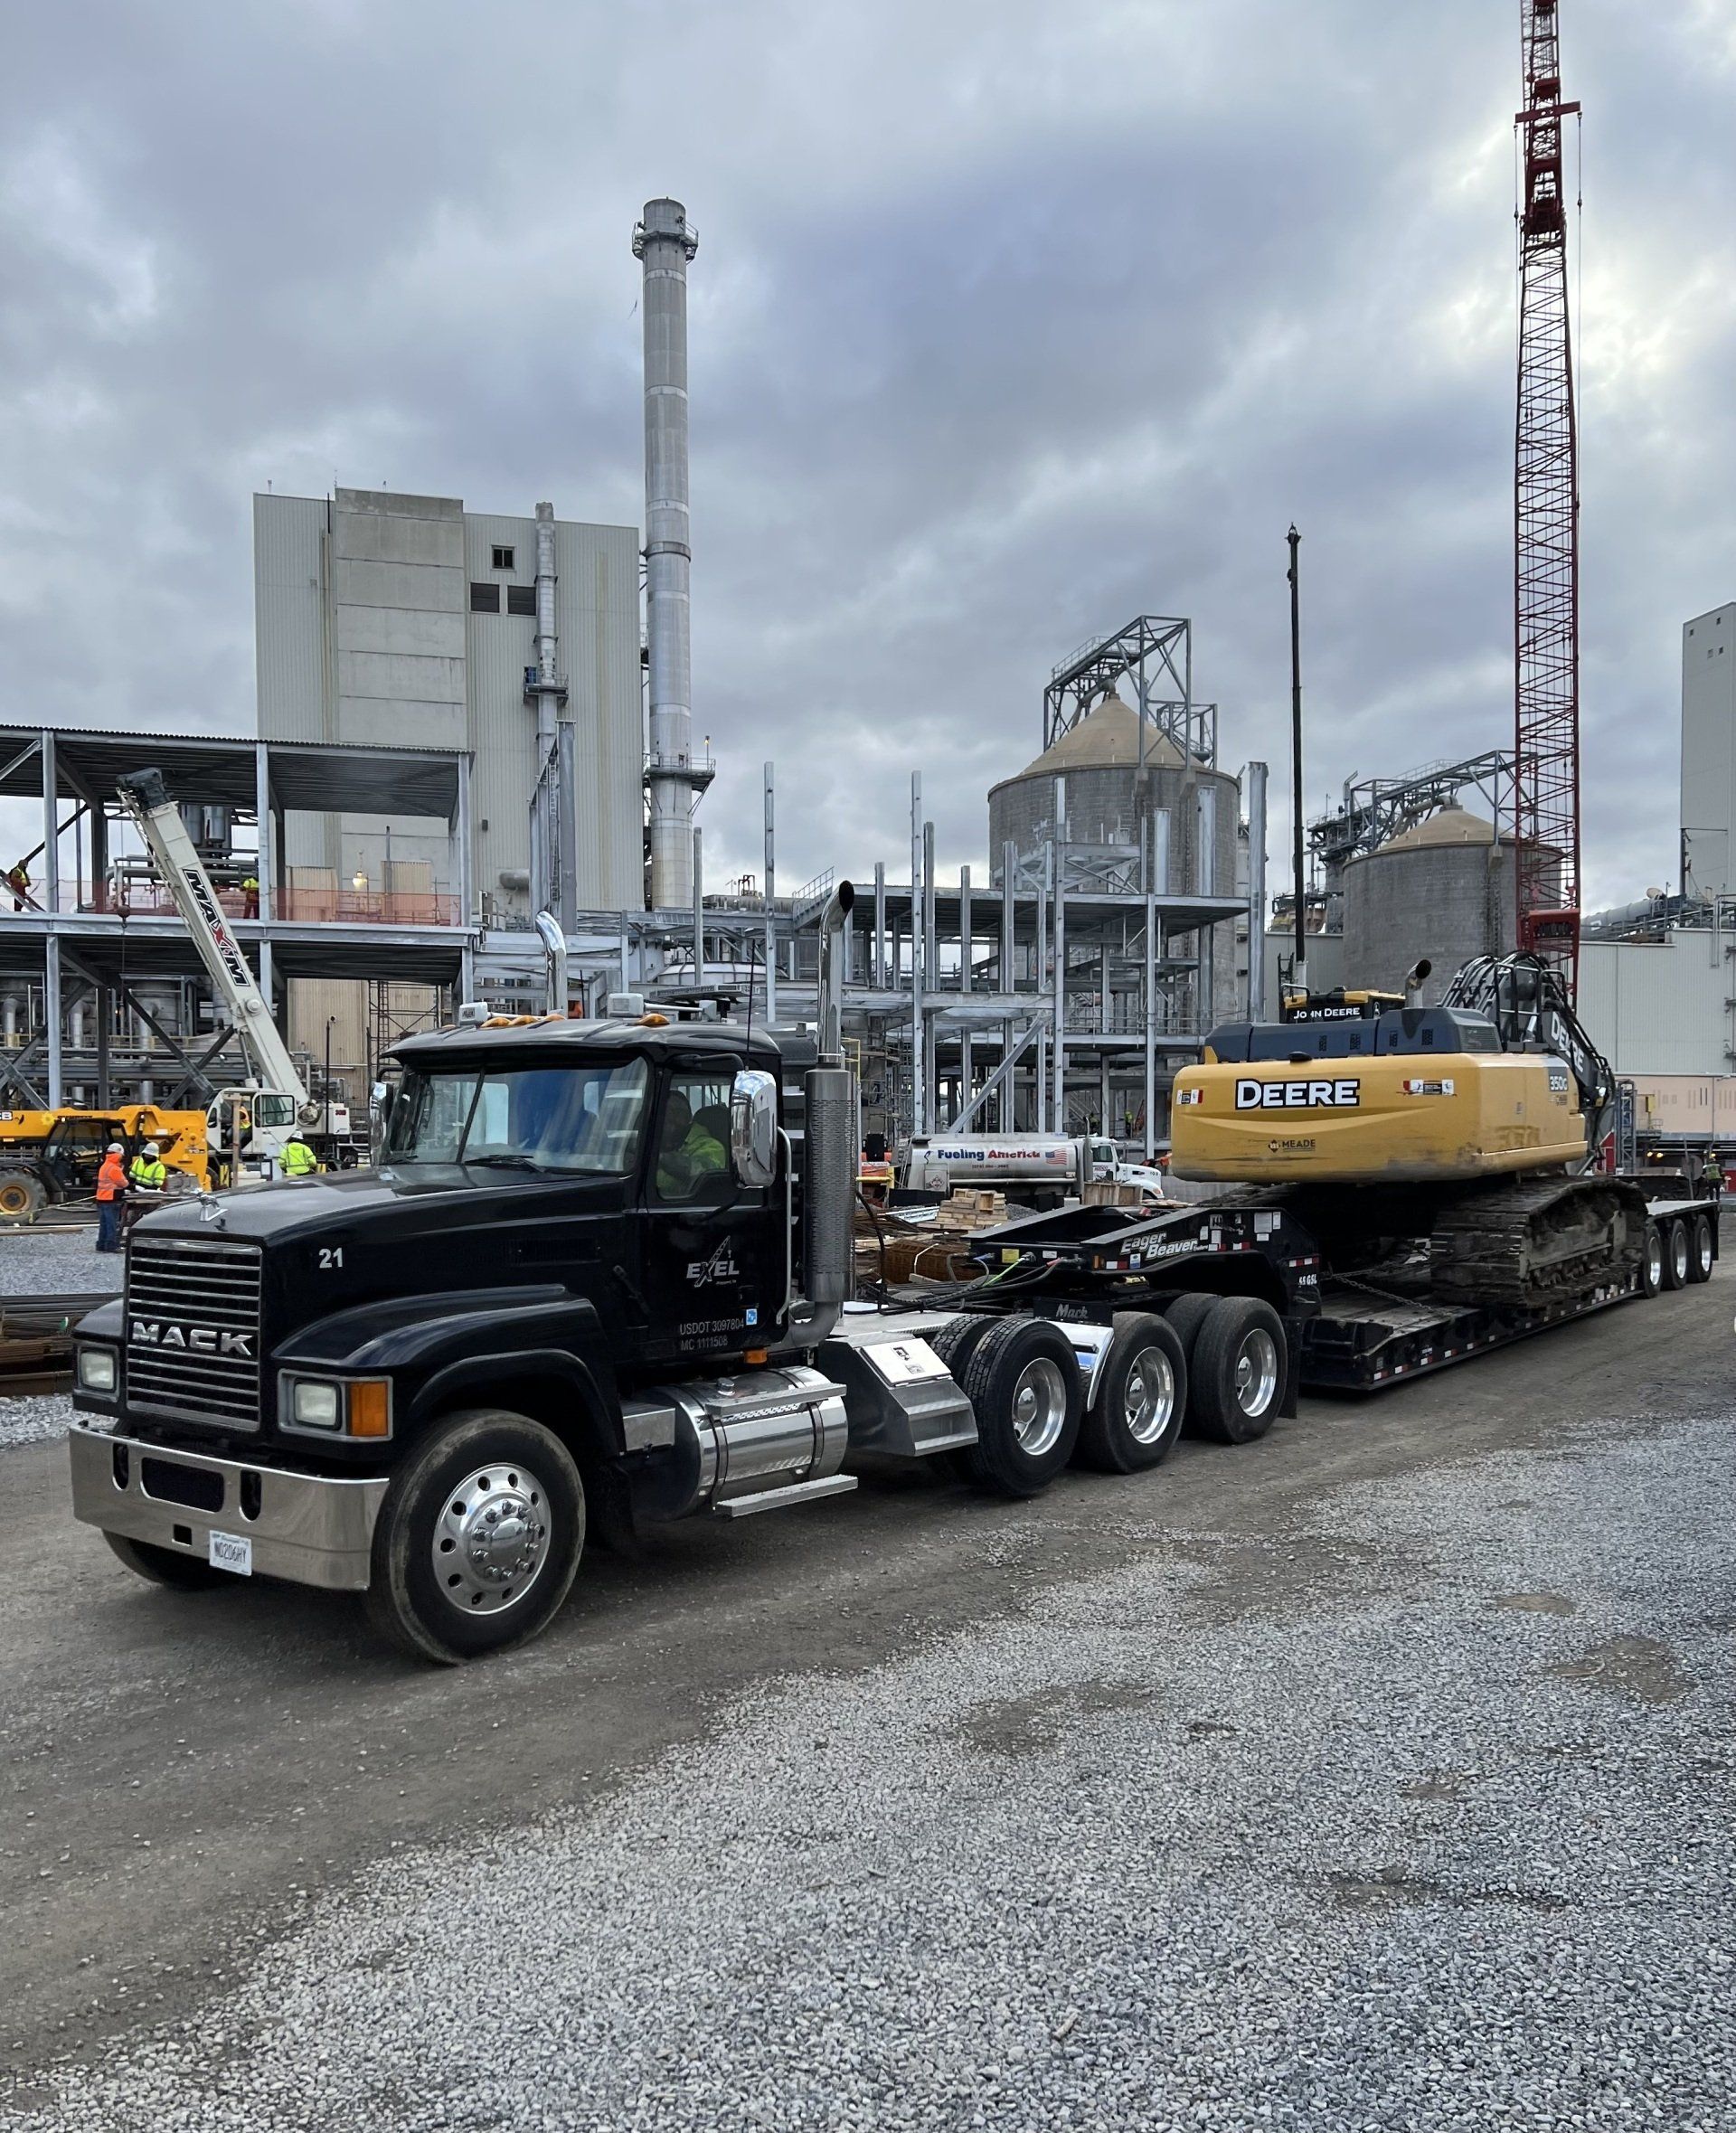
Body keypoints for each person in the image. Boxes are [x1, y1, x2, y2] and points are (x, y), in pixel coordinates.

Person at [655, 1090, 727, 1197]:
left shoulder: (711, 1146)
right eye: (663, 1114)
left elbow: (704, 1174)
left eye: (674, 1113)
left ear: (687, 1117)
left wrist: (660, 1158)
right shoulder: (659, 1142)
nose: (668, 1119)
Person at [95, 1141, 127, 1253]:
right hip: (111, 1199)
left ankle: (101, 1244)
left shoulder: (104, 1166)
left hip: (102, 1199)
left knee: (104, 1223)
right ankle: (111, 1245)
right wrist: (129, 1184)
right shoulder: (114, 1168)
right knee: (112, 1224)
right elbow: (123, 1183)